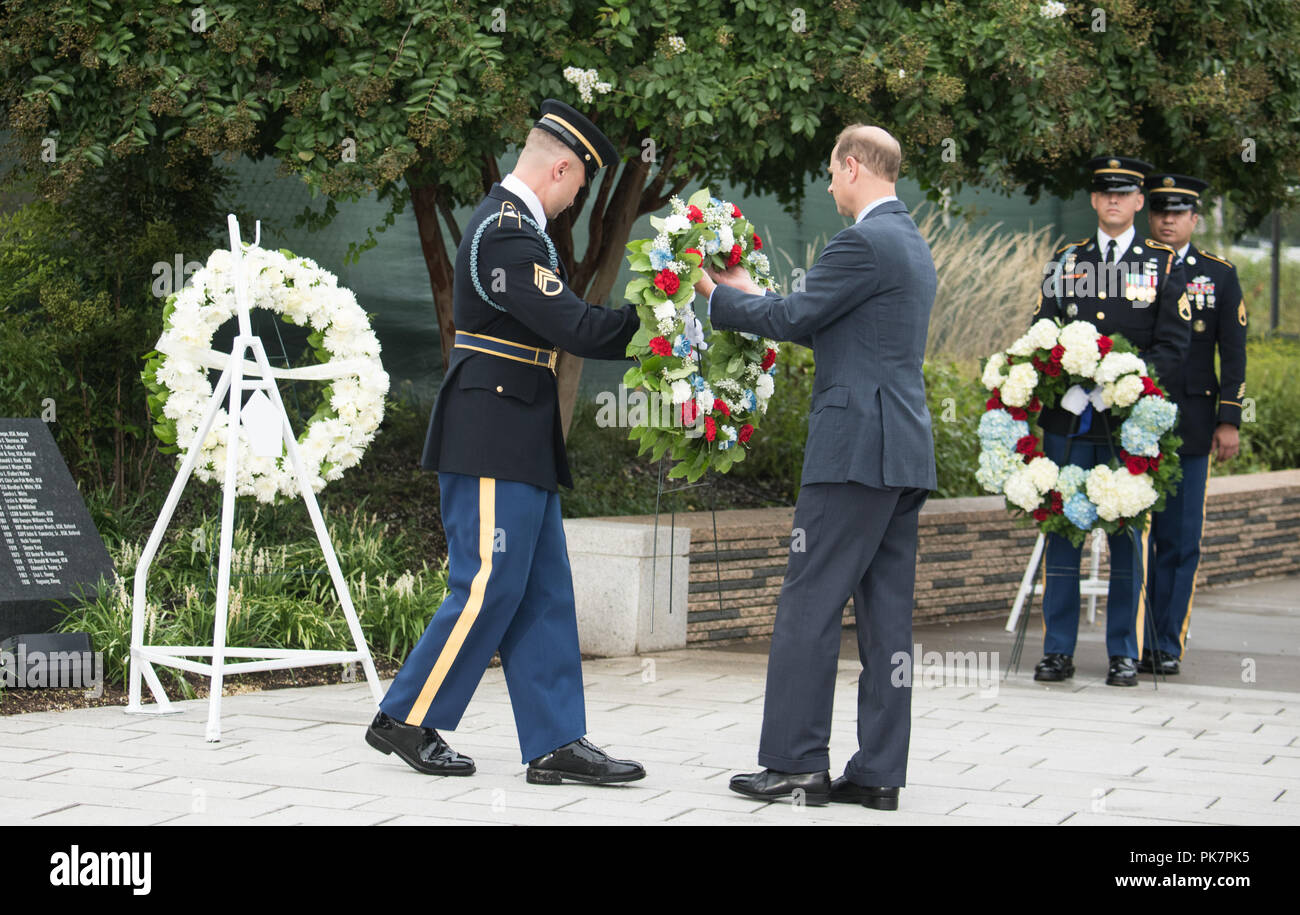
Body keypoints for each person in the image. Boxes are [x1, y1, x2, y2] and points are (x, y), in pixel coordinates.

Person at [365, 99, 646, 786]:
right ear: (559, 167)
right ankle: (404, 715)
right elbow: (575, 325)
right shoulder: (507, 233)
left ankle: (555, 741)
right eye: (580, 184)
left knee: (544, 587)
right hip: (491, 432)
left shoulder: (518, 230)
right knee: (488, 581)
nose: (579, 197)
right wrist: (654, 315)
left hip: (516, 431)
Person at [694, 124, 936, 811]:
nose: (828, 184)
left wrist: (718, 295)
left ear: (853, 166)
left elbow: (797, 313)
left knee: (809, 600)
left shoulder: (863, 240)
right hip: (902, 450)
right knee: (887, 616)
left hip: (854, 448)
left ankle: (796, 763)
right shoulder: (911, 243)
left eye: (831, 171)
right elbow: (822, 319)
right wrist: (750, 294)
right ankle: (880, 771)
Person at [1032, 156, 1190, 687]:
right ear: (1095, 201)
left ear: (1140, 202)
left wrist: (1126, 386)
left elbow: (1174, 345)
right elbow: (1042, 331)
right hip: (1071, 419)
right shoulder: (1068, 260)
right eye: (1105, 193)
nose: (1114, 201)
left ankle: (1124, 651)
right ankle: (1057, 650)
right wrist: (1067, 379)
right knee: (1065, 528)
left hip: (1129, 424)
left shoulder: (1163, 264)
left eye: (1124, 193)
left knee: (1125, 531)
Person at [1141, 173, 1247, 676]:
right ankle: (1133, 643)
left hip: (1195, 423)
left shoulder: (1218, 275)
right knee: (1137, 539)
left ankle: (1166, 643)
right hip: (1137, 423)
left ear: (1194, 219)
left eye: (1178, 212)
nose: (1167, 219)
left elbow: (1235, 351)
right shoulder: (1131, 270)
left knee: (1180, 540)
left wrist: (1231, 420)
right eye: (1160, 210)